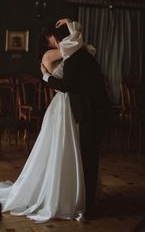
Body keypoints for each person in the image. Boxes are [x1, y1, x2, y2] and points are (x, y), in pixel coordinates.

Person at [0, 26, 86, 223]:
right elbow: (75, 49)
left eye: (54, 38)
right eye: (51, 38)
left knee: (70, 147)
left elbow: (77, 51)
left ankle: (69, 189)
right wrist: (72, 25)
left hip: (70, 104)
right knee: (58, 148)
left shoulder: (70, 53)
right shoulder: (51, 55)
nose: (53, 41)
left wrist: (72, 26)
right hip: (61, 105)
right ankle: (54, 192)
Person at [41, 18, 111, 216]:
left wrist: (46, 77)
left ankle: (86, 205)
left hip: (90, 113)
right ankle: (85, 198)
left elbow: (66, 86)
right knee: (86, 157)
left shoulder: (74, 58)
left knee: (87, 158)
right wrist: (71, 24)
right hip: (91, 110)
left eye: (54, 40)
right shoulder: (84, 54)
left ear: (58, 40)